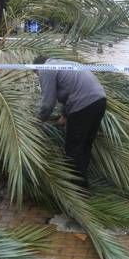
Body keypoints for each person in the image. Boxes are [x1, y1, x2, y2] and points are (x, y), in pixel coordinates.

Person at [34, 56, 106, 188]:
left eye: (36, 74)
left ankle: (77, 188)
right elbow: (71, 90)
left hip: (83, 105)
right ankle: (83, 180)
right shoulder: (63, 63)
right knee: (84, 145)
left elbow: (48, 103)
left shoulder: (45, 69)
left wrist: (39, 120)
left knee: (73, 148)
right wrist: (65, 115)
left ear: (37, 68)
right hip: (100, 101)